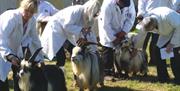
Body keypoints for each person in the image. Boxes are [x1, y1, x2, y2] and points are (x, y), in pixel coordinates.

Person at [0, 0, 44, 91]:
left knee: (20, 77)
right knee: (2, 81)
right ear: (21, 7)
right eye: (26, 10)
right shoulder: (11, 18)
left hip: (15, 50)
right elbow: (1, 38)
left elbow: (35, 40)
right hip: (2, 49)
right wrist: (9, 56)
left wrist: (41, 59)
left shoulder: (32, 20)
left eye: (31, 12)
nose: (28, 14)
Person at [139, 7, 180, 84]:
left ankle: (178, 79)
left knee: (174, 56)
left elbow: (179, 26)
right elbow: (141, 31)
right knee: (157, 51)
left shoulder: (168, 15)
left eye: (152, 29)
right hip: (167, 32)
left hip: (178, 31)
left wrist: (172, 44)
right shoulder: (148, 18)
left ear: (155, 25)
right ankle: (163, 78)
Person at [98, 0, 136, 76]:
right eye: (122, 5)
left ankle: (119, 70)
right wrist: (113, 38)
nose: (124, 6)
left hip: (121, 29)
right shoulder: (108, 5)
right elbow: (105, 25)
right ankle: (107, 73)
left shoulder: (130, 3)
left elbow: (131, 18)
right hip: (108, 30)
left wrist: (124, 31)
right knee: (108, 50)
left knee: (121, 52)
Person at [137, 0, 173, 65]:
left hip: (161, 19)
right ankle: (141, 60)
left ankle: (154, 60)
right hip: (146, 17)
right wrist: (141, 14)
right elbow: (142, 2)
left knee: (155, 43)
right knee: (142, 42)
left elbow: (172, 3)